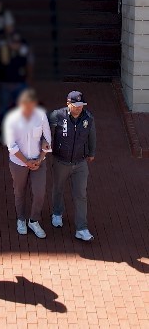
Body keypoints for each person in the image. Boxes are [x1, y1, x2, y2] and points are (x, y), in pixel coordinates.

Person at [3, 89, 51, 237]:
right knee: (19, 192)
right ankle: (21, 219)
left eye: (32, 105)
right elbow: (11, 147)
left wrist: (40, 157)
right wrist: (27, 162)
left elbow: (47, 139)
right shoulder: (11, 120)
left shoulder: (41, 116)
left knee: (39, 193)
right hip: (18, 163)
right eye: (26, 106)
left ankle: (34, 220)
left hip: (38, 162)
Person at [49, 91, 96, 242]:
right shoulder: (58, 115)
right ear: (68, 103)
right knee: (58, 188)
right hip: (61, 161)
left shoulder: (88, 118)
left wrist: (91, 152)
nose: (78, 108)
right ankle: (57, 213)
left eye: (81, 105)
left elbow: (92, 135)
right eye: (75, 105)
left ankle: (81, 228)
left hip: (80, 162)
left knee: (81, 194)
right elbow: (46, 132)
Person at [0, 32, 34, 139]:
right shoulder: (3, 52)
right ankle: (1, 133)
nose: (15, 45)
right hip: (6, 85)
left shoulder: (24, 53)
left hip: (20, 85)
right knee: (4, 110)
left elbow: (29, 67)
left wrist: (28, 82)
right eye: (13, 42)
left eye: (17, 43)